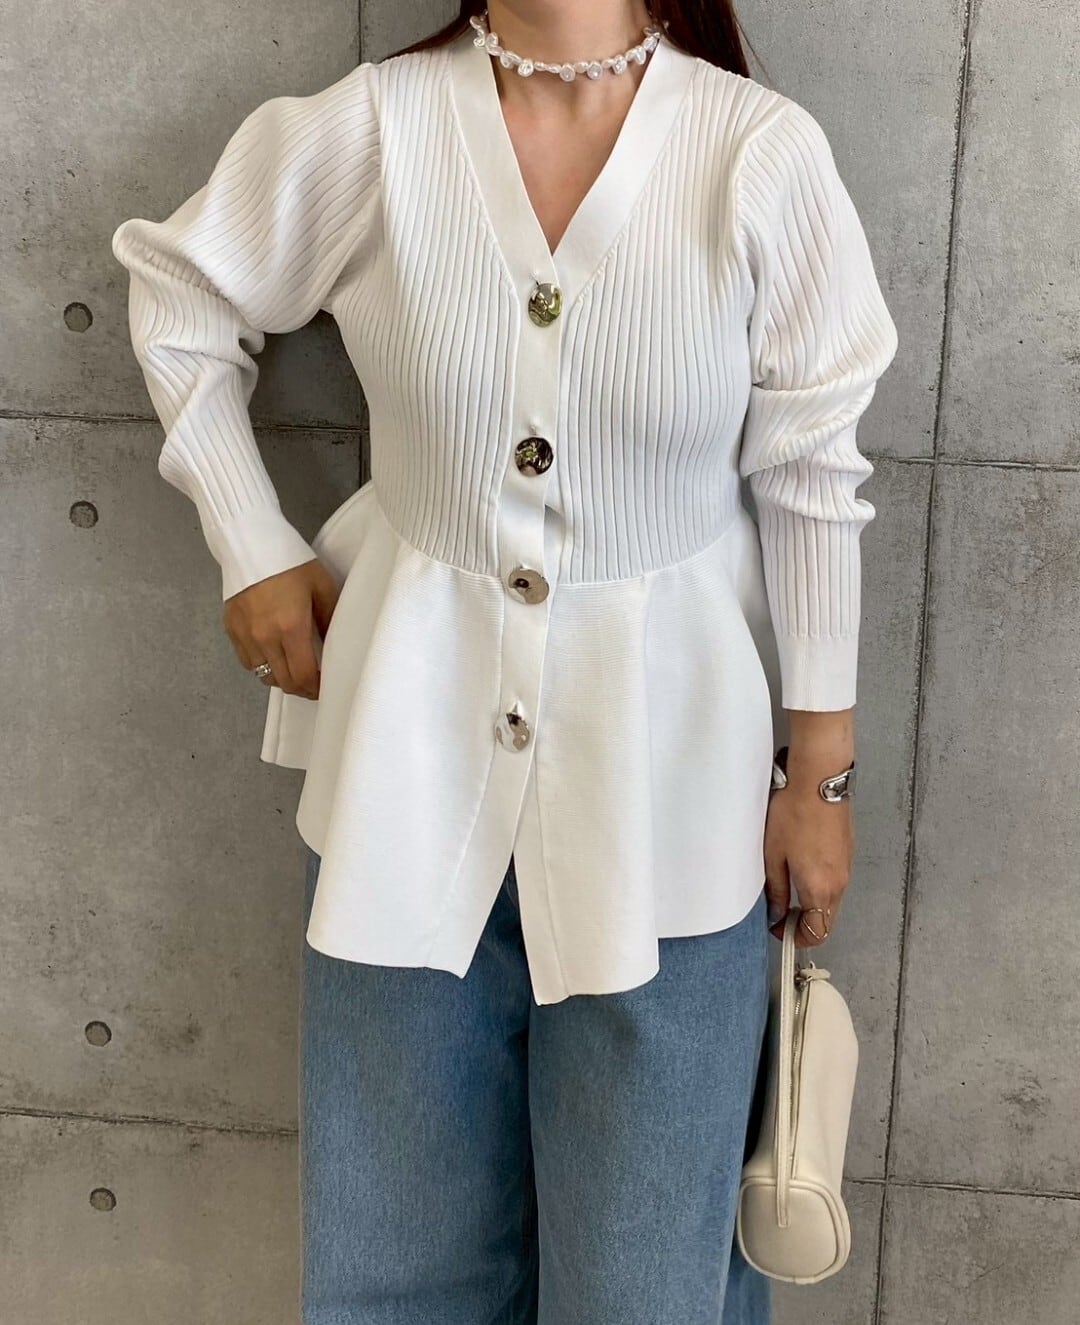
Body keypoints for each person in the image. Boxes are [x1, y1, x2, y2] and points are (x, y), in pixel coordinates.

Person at [111, 1, 899, 1320]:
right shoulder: (380, 130)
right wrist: (250, 541)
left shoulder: (755, 153)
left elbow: (813, 473)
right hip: (403, 786)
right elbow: (178, 285)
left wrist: (820, 777)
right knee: (392, 1272)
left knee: (645, 1284)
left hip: (672, 805)